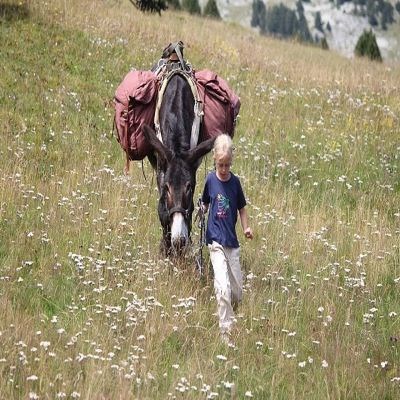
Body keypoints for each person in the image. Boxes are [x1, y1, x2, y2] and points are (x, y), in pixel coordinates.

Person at [201, 134, 253, 345]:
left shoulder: (235, 183)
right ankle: (226, 330)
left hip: (232, 242)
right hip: (215, 242)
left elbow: (241, 208)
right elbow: (205, 202)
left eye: (227, 165)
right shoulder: (210, 180)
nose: (223, 169)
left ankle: (235, 317)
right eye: (221, 165)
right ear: (214, 158)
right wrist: (200, 211)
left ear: (232, 161)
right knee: (222, 287)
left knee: (237, 290)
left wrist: (246, 227)